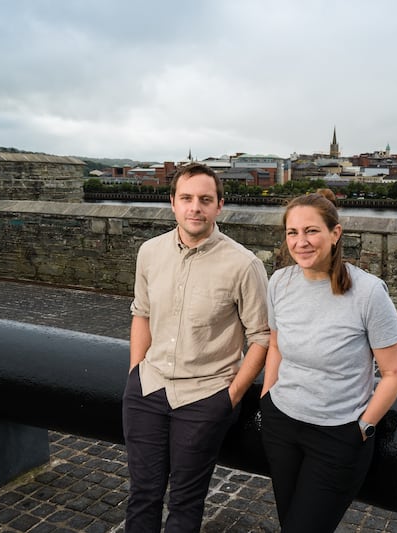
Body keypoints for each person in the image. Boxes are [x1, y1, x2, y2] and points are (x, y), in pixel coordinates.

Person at [122, 162, 270, 532]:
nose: (195, 207)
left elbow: (262, 337)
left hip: (205, 397)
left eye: (205, 199)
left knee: (186, 502)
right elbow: (141, 313)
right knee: (143, 494)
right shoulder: (150, 253)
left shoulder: (244, 265)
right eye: (186, 198)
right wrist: (135, 372)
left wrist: (230, 397)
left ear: (220, 205)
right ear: (172, 203)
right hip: (148, 389)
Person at [259, 193, 397, 532]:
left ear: (335, 233)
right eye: (292, 232)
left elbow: (394, 371)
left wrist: (363, 427)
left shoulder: (368, 293)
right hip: (281, 425)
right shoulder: (279, 282)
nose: (301, 242)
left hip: (338, 436)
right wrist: (267, 396)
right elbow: (277, 344)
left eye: (311, 231)